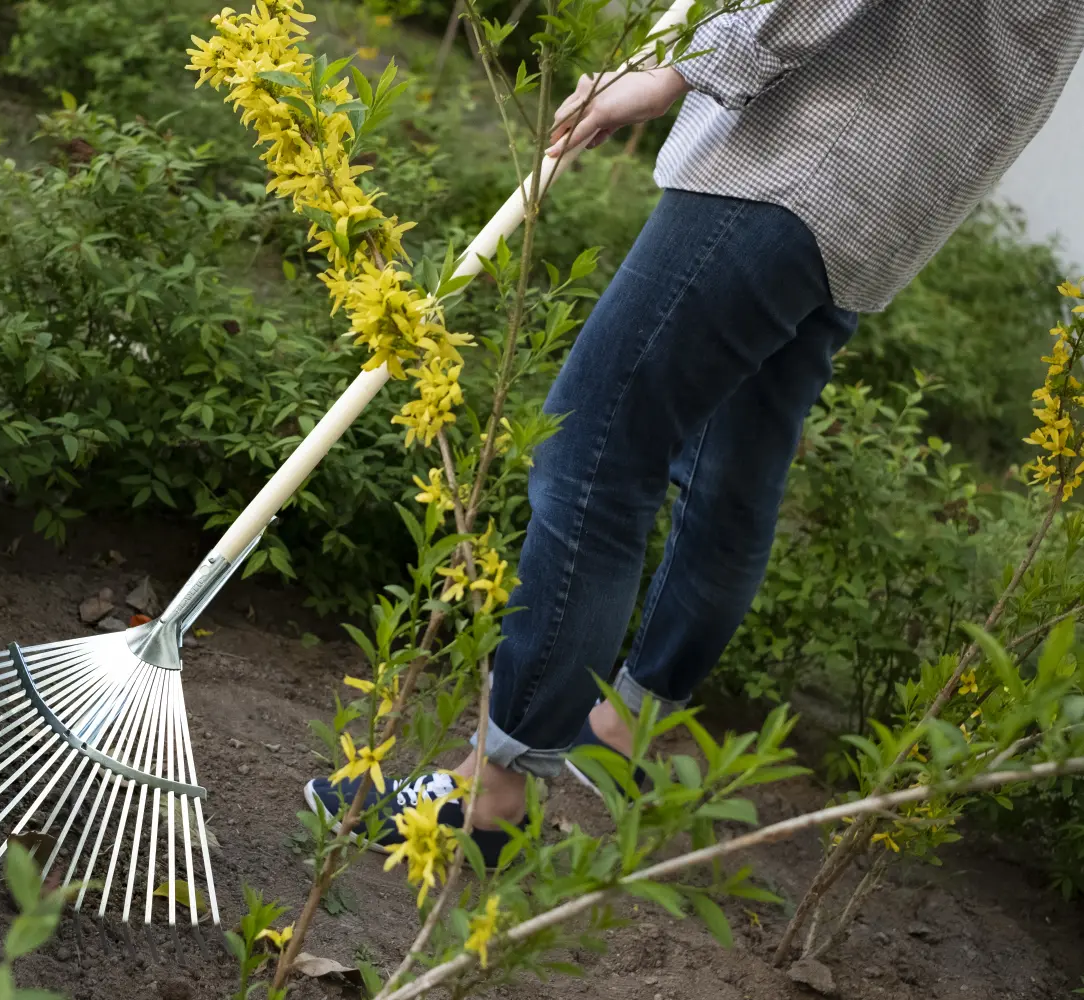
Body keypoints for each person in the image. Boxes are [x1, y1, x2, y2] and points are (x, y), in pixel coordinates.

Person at [306, 0, 1084, 860]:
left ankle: (492, 793)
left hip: (797, 155)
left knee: (593, 449)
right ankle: (623, 727)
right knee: (730, 474)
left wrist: (681, 70)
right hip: (881, 195)